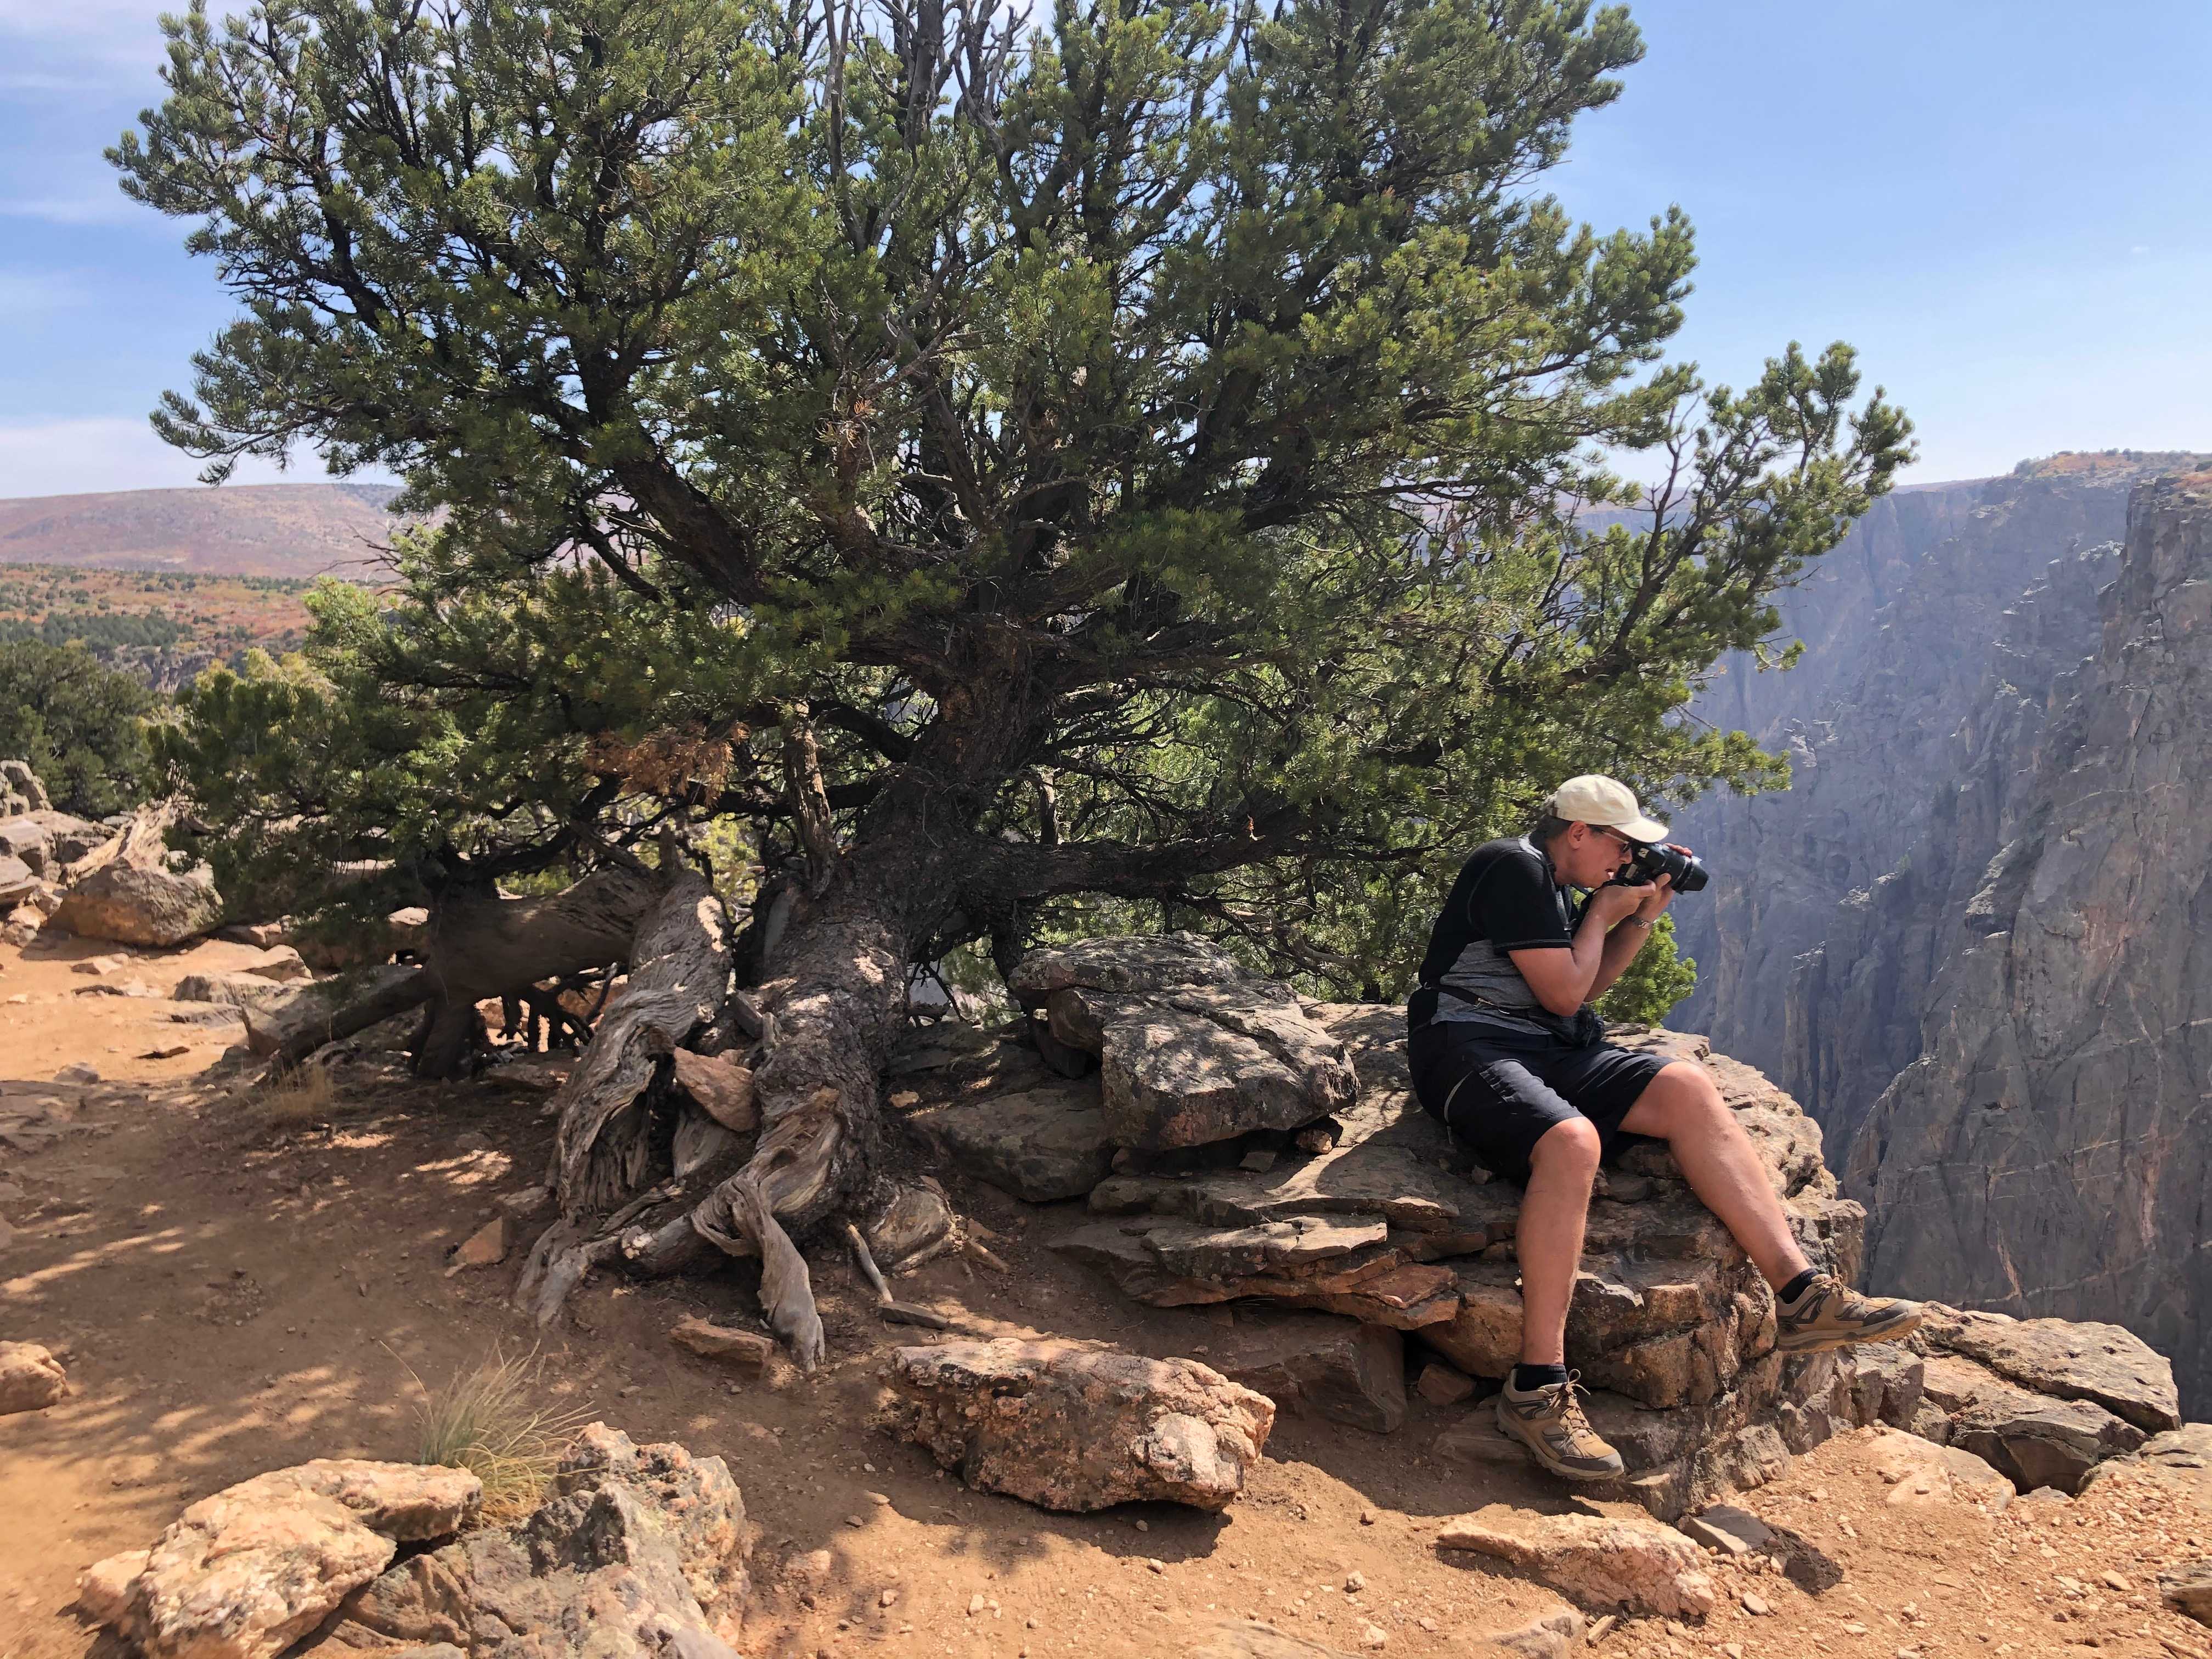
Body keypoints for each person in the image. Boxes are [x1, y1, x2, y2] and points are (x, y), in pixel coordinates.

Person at [1407, 775, 1923, 1481]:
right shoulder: (1512, 866)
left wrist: (1639, 917)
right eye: (1621, 845)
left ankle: (1803, 1296)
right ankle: (1537, 1388)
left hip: (1541, 1044)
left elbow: (1584, 988)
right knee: (1572, 1142)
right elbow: (1564, 992)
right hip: (1463, 1046)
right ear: (1579, 832)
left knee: (1684, 1087)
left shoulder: (1559, 883)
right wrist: (1602, 911)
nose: (1626, 860)